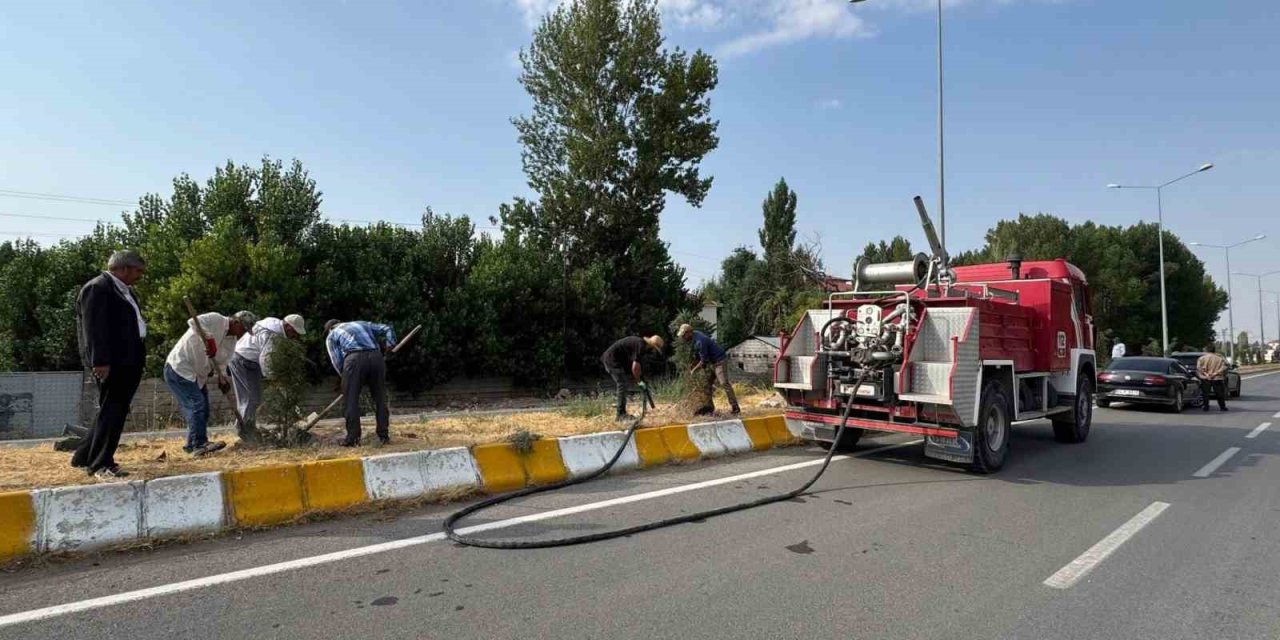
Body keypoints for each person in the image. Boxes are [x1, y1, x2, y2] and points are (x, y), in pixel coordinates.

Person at [71, 250, 147, 479]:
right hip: (112, 362)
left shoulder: (125, 290)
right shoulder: (98, 288)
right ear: (123, 268)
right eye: (137, 271)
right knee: (112, 411)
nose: (140, 276)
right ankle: (100, 464)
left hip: (129, 359)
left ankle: (84, 455)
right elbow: (94, 329)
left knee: (112, 410)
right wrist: (101, 361)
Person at [163, 310, 256, 456]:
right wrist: (209, 339)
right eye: (243, 329)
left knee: (204, 409)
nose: (243, 334)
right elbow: (193, 322)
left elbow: (222, 363)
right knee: (196, 404)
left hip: (197, 375)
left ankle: (191, 445)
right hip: (180, 368)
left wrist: (222, 378)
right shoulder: (215, 319)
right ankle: (199, 445)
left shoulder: (232, 341)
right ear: (236, 322)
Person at [228, 314, 306, 440]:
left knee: (255, 398)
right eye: (294, 332)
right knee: (249, 398)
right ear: (287, 326)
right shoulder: (273, 334)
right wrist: (274, 379)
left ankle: (248, 427)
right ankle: (244, 432)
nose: (295, 336)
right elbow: (266, 359)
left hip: (250, 361)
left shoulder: (273, 324)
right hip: (242, 360)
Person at [325, 320, 396, 446]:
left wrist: (347, 379)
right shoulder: (362, 324)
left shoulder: (332, 335)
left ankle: (353, 439)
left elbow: (337, 361)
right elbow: (386, 328)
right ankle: (383, 436)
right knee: (380, 398)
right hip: (376, 357)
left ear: (329, 329)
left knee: (351, 400)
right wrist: (390, 345)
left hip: (354, 359)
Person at [677, 324, 740, 415]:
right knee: (707, 384)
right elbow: (701, 355)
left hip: (719, 361)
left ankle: (735, 408)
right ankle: (709, 408)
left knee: (724, 383)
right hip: (713, 362)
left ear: (689, 332)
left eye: (684, 335)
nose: (683, 337)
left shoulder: (700, 340)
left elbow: (703, 361)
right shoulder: (696, 335)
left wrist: (694, 370)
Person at [601, 334, 665, 421]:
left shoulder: (641, 345)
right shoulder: (641, 346)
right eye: (654, 349)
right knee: (622, 384)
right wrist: (639, 382)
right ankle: (620, 414)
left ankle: (622, 412)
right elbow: (634, 368)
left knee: (625, 382)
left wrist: (642, 380)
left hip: (618, 361)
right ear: (652, 346)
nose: (653, 351)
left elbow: (638, 367)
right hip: (611, 359)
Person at [1197, 344, 1229, 412]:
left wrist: (1206, 374)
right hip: (1217, 378)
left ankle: (1206, 407)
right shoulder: (1220, 358)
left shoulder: (1202, 358)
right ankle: (1222, 407)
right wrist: (1215, 373)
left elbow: (1199, 368)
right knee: (1219, 393)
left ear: (1206, 350)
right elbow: (1224, 367)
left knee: (1205, 393)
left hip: (1205, 377)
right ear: (1214, 350)